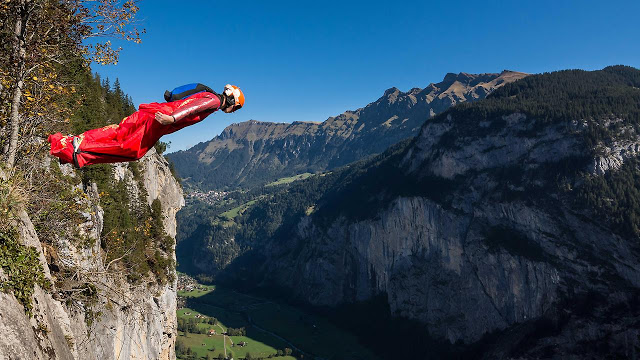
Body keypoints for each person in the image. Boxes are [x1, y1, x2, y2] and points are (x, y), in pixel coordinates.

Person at [48, 84, 244, 168]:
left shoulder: (207, 94)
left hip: (155, 113)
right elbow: (194, 108)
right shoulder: (214, 101)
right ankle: (79, 151)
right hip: (160, 120)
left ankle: (75, 144)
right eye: (235, 108)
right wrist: (173, 119)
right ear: (231, 101)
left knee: (120, 133)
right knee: (132, 149)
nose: (232, 112)